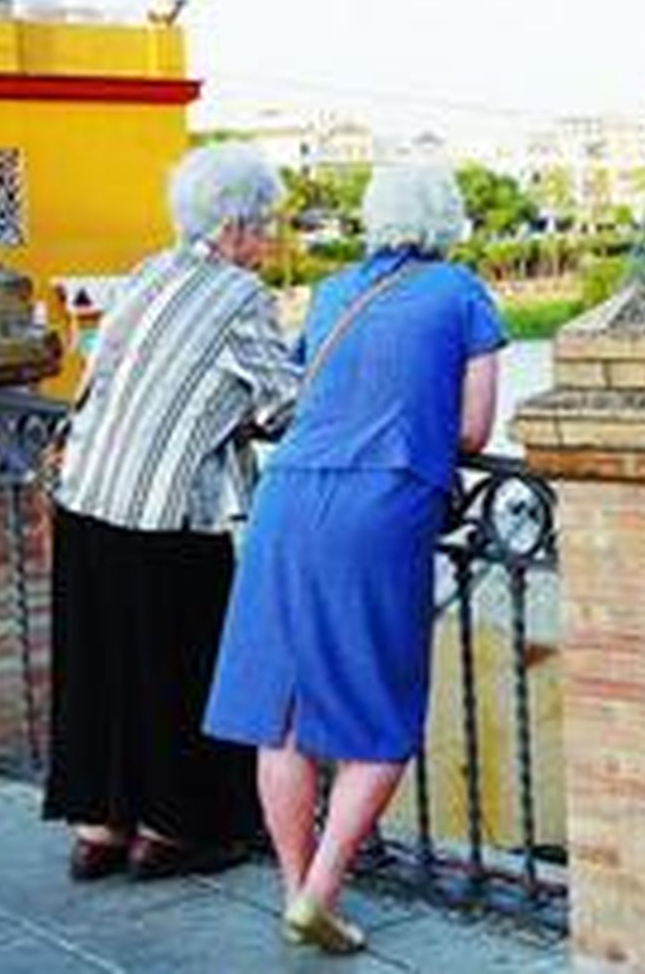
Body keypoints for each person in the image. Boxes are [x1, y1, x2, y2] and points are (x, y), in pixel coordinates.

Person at [203, 164, 505, 954]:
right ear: (448, 222)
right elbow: (474, 430)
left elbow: (305, 390)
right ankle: (322, 891)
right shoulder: (463, 292)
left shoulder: (333, 292)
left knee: (286, 710)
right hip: (381, 504)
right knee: (381, 710)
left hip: (289, 496)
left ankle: (294, 889)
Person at [44, 144, 298, 881]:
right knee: (179, 668)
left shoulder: (148, 270)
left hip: (88, 494)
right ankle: (172, 828)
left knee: (100, 667)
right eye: (266, 224)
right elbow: (286, 402)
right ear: (237, 225)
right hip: (163, 508)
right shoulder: (241, 296)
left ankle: (99, 829)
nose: (271, 239)